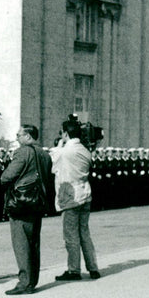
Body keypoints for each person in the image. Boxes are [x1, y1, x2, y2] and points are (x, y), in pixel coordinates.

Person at [0, 125, 51, 295]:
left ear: (28, 136)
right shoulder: (44, 154)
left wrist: (4, 179)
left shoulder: (23, 152)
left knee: (21, 243)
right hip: (38, 202)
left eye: (19, 135)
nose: (17, 138)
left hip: (22, 203)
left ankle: (24, 282)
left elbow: (8, 175)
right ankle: (32, 281)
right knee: (34, 243)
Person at [50, 119, 100, 281]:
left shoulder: (64, 152)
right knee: (84, 233)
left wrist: (59, 145)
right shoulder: (85, 151)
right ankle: (93, 268)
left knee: (71, 235)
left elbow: (52, 162)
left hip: (70, 197)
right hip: (85, 194)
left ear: (65, 133)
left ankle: (73, 270)